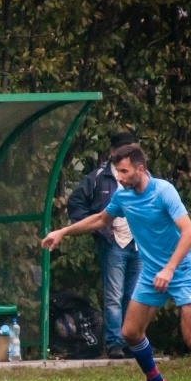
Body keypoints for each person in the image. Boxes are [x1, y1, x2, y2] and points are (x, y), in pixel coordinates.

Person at [41, 143, 191, 381]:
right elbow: (100, 219)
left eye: (123, 171)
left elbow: (189, 233)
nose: (118, 177)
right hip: (151, 273)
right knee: (130, 332)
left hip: (181, 270)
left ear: (140, 169)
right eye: (117, 171)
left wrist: (169, 268)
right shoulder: (123, 196)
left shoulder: (164, 191)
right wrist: (62, 232)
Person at [66, 131, 143, 359]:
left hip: (138, 243)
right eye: (123, 150)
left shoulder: (142, 176)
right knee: (113, 296)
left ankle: (133, 341)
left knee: (135, 295)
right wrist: (99, 230)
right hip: (113, 243)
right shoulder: (98, 177)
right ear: (112, 152)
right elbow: (76, 203)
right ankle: (115, 343)